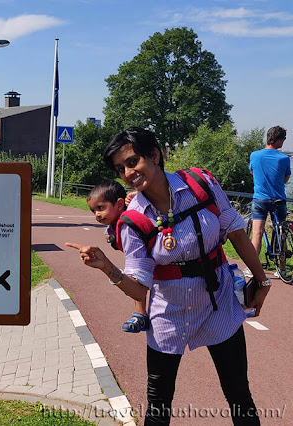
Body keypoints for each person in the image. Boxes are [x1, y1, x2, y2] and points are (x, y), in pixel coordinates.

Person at [66, 127, 270, 425]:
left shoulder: (202, 184)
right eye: (120, 168)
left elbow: (237, 235)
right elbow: (139, 289)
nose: (128, 172)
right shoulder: (133, 220)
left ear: (154, 155)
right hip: (168, 314)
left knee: (239, 394)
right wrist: (107, 267)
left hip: (219, 304)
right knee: (158, 405)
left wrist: (261, 280)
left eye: (133, 161)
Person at [87, 180, 149, 332]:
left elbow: (151, 201)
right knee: (137, 278)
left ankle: (141, 314)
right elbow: (109, 235)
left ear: (120, 205)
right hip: (139, 257)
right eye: (93, 211)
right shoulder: (114, 223)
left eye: (101, 208)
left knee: (137, 279)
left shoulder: (133, 212)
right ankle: (141, 314)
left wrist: (138, 195)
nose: (97, 215)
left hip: (149, 254)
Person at [247, 125, 290, 278]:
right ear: (278, 140)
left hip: (260, 200)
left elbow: (252, 172)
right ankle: (283, 269)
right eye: (283, 140)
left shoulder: (255, 155)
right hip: (279, 201)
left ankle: (253, 270)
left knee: (257, 234)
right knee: (281, 235)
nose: (283, 143)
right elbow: (286, 178)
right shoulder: (285, 158)